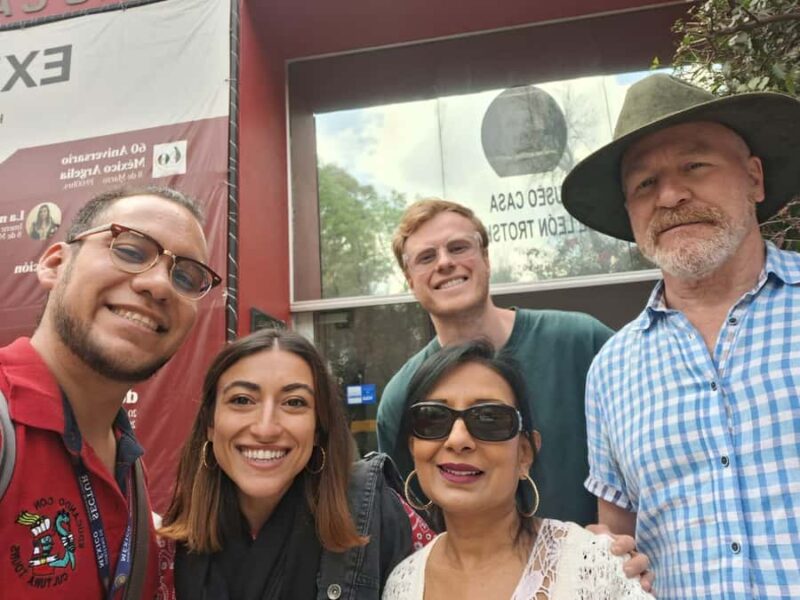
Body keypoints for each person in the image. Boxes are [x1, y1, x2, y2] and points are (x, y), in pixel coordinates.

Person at [561, 73, 800, 599]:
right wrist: (605, 557)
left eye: (695, 165)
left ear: (754, 179)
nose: (670, 195)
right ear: (630, 212)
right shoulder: (611, 369)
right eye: (645, 184)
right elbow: (619, 540)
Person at [0, 186, 221, 598]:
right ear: (54, 264)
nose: (159, 286)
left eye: (186, 276)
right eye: (132, 251)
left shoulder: (127, 460)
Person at [377, 198, 613, 526]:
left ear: (486, 258)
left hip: (596, 569)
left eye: (458, 248)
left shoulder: (582, 342)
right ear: (409, 279)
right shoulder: (401, 397)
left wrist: (614, 538)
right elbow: (412, 520)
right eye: (426, 257)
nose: (445, 263)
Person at [158, 328, 427, 600]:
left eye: (294, 402)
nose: (265, 429)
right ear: (210, 424)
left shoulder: (380, 516)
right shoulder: (163, 550)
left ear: (318, 429)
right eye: (242, 400)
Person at [382, 340, 650, 599]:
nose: (458, 440)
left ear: (524, 453)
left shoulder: (593, 566)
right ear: (413, 448)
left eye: (489, 418)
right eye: (433, 418)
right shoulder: (400, 584)